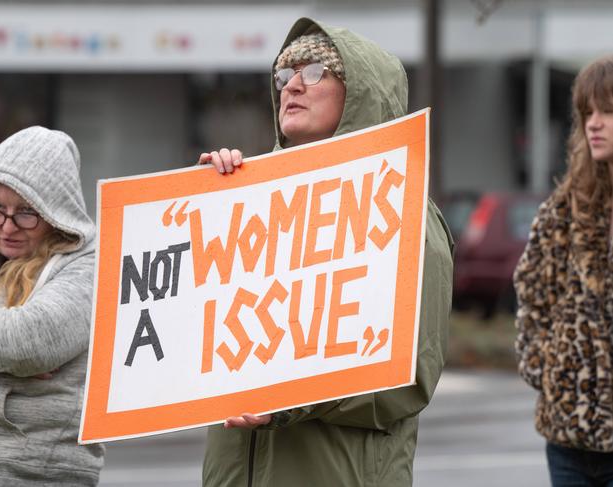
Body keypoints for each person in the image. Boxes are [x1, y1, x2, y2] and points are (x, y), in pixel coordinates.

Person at [198, 17, 454, 486]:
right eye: (284, 74)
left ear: (360, 94)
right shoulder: (254, 206)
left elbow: (408, 378)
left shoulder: (405, 217)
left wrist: (293, 399)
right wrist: (212, 203)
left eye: (314, 71)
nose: (291, 85)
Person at [0, 126, 104, 485]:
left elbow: (29, 342)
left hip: (36, 471)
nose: (7, 227)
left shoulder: (86, 266)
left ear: (56, 215)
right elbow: (13, 350)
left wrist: (10, 356)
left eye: (26, 213)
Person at [514, 55, 613, 486]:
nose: (594, 123)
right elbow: (532, 297)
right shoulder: (562, 210)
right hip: (568, 438)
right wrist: (550, 371)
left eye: (608, 111)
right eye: (587, 112)